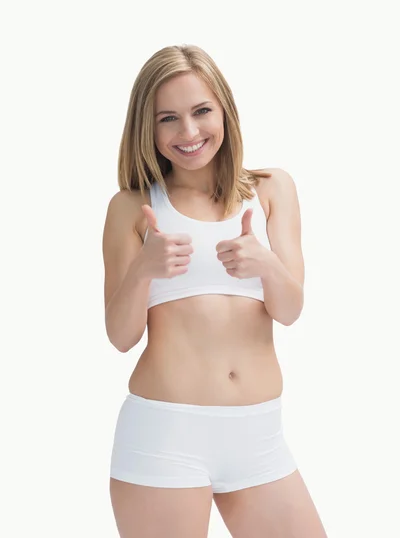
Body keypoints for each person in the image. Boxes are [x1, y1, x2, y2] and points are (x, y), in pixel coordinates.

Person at [103, 44, 328, 538]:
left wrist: (264, 263)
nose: (188, 132)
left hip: (261, 435)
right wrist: (144, 271)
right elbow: (121, 337)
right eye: (168, 118)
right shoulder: (132, 206)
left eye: (202, 111)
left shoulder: (272, 188)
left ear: (224, 108)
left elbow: (289, 310)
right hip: (165, 437)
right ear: (148, 127)